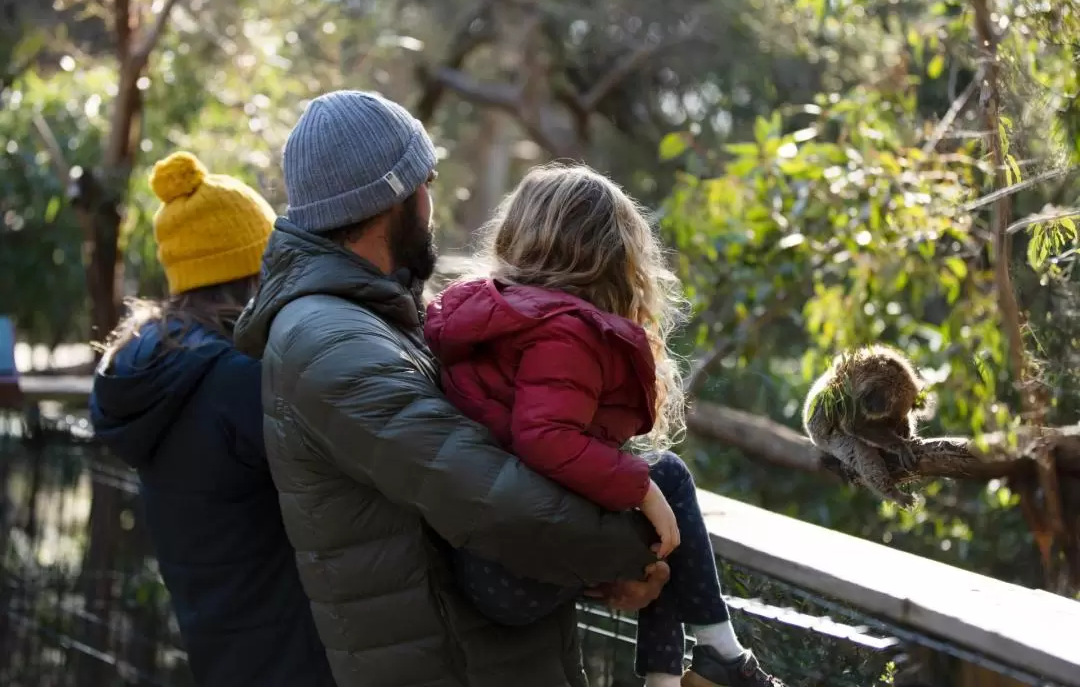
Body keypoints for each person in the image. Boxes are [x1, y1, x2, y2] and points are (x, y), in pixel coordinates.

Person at [232, 90, 669, 687]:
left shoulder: (377, 316)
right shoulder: (332, 343)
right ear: (396, 197)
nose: (431, 204)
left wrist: (596, 568)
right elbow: (499, 504)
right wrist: (649, 541)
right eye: (427, 182)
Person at [424, 164, 786, 687]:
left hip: (482, 555)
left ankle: (692, 670)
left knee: (660, 511)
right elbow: (542, 437)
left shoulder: (491, 315)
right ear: (611, 258)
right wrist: (640, 489)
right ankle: (719, 658)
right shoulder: (565, 331)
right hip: (508, 568)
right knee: (667, 480)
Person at [89, 152, 335, 687]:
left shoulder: (161, 366)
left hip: (219, 643)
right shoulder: (236, 381)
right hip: (296, 651)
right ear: (254, 269)